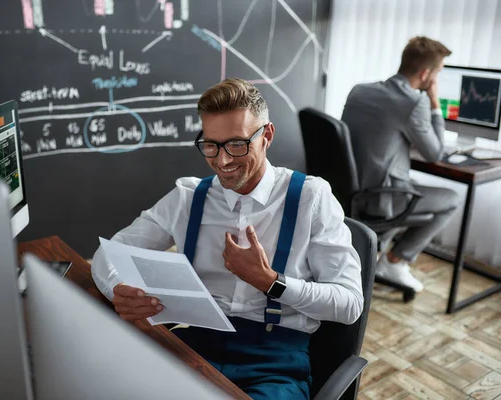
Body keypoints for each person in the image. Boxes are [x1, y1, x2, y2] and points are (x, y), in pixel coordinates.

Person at [92, 78, 363, 399]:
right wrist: (117, 288)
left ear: (267, 136)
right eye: (211, 144)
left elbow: (350, 304)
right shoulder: (188, 197)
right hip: (193, 346)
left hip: (275, 360)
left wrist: (272, 282)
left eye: (237, 144)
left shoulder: (311, 197)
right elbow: (109, 253)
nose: (222, 161)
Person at [341, 36, 461, 292]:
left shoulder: (361, 89)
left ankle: (377, 250)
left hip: (348, 189)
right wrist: (435, 104)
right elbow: (435, 154)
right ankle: (395, 261)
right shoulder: (414, 102)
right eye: (437, 73)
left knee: (414, 184)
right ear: (426, 73)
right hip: (381, 198)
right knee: (451, 198)